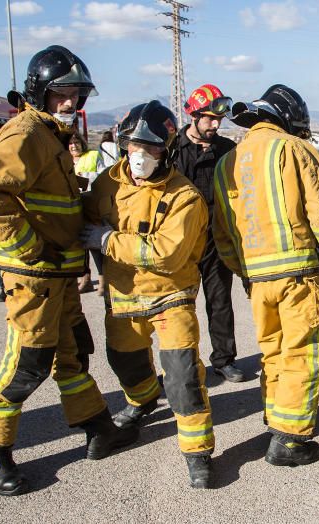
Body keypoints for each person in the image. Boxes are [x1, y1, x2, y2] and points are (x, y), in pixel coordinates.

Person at [0, 44, 137, 497]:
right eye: (62, 93)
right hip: (35, 279)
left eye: (77, 95)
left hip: (58, 278)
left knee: (73, 357)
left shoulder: (51, 136)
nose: (70, 102)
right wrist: (28, 247)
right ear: (40, 92)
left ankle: (98, 428)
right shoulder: (25, 133)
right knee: (27, 365)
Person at [216, 84, 319, 466]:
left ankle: (276, 418)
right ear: (287, 119)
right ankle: (291, 441)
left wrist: (243, 270)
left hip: (256, 279)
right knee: (304, 352)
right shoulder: (294, 149)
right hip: (298, 274)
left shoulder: (227, 161)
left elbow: (223, 231)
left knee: (273, 351)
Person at [80, 100, 216, 488]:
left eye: (151, 147)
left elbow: (168, 255)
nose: (140, 154)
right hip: (122, 299)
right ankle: (141, 404)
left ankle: (198, 453)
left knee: (182, 377)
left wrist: (107, 240)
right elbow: (86, 217)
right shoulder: (106, 183)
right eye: (134, 145)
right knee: (125, 364)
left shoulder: (184, 196)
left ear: (167, 150)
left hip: (170, 297)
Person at [173, 83, 244, 383]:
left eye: (219, 120)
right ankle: (182, 366)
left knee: (220, 303)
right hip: (181, 244)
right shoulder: (172, 149)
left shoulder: (227, 150)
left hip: (216, 241)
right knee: (178, 308)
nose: (215, 125)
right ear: (194, 115)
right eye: (209, 119)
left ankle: (224, 360)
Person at [68, 130, 100, 293]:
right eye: (71, 143)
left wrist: (85, 176)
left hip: (89, 204)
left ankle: (101, 278)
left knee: (92, 242)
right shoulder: (63, 159)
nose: (74, 146)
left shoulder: (93, 156)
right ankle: (83, 277)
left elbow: (104, 175)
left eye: (77, 142)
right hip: (70, 206)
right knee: (76, 245)